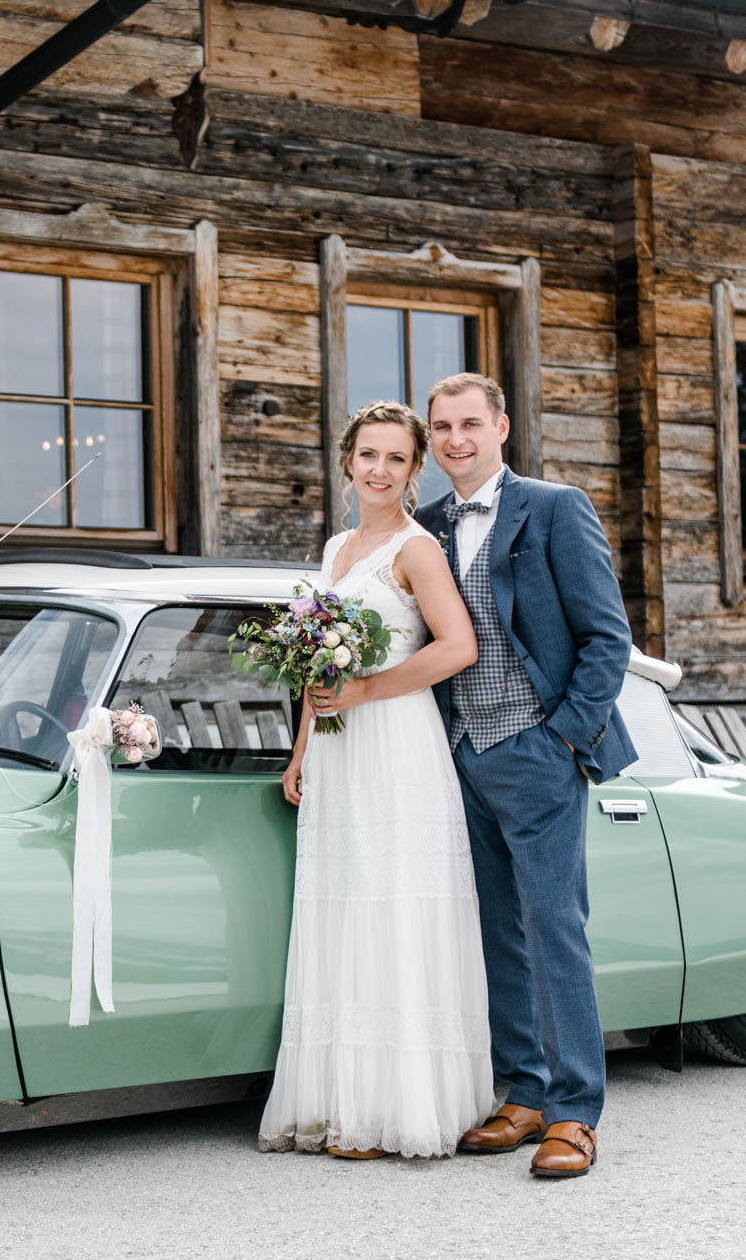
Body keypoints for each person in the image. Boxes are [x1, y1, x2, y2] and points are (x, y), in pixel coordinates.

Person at [415, 372, 637, 1180]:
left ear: (502, 426)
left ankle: (577, 1114)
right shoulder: (427, 524)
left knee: (554, 931)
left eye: (470, 424)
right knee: (494, 932)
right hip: (459, 753)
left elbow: (607, 638)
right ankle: (525, 1091)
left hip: (536, 749)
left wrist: (562, 739)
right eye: (441, 428)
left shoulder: (554, 507)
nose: (455, 441)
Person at [257, 401, 493, 1159]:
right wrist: (302, 749)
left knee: (393, 909)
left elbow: (458, 647)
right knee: (345, 907)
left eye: (396, 458)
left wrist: (364, 691)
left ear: (415, 469)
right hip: (337, 748)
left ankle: (397, 1109)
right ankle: (340, 1101)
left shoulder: (419, 549)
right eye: (368, 455)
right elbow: (315, 667)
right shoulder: (335, 548)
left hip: (396, 742)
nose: (380, 470)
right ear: (347, 460)